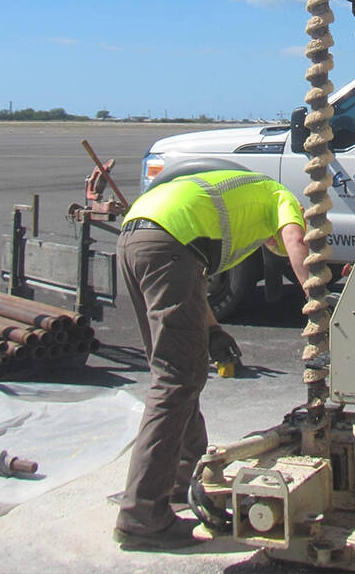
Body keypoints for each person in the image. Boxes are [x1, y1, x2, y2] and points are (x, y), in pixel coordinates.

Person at [113, 170, 311, 551]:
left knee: (175, 375)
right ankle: (141, 517)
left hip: (136, 237)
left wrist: (213, 330)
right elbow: (296, 240)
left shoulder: (235, 207)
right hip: (167, 242)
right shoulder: (281, 197)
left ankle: (177, 481)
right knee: (176, 380)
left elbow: (191, 281)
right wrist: (317, 299)